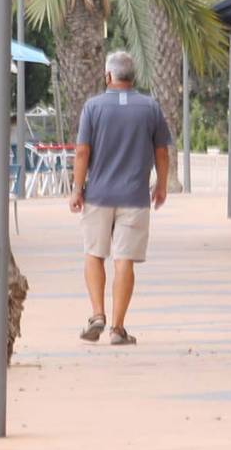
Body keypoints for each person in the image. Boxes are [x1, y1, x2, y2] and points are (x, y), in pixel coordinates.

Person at [69, 50, 171, 346]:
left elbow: (82, 152)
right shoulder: (150, 107)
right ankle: (117, 328)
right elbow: (162, 152)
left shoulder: (93, 107)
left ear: (108, 76)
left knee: (94, 253)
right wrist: (161, 185)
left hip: (98, 196)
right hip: (134, 197)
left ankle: (97, 314)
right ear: (132, 77)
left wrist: (77, 189)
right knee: (124, 260)